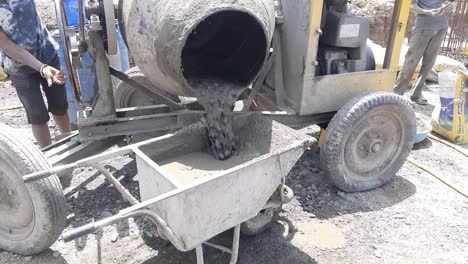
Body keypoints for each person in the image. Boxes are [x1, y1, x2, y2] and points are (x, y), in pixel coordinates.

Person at [0, 0, 71, 148]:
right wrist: (41, 67)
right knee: (37, 115)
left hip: (47, 52)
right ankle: (47, 156)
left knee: (59, 105)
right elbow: (6, 45)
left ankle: (70, 143)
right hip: (19, 68)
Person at [394, 0, 456, 105]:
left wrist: (450, 6)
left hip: (441, 27)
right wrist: (427, 12)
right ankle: (398, 93)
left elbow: (453, 3)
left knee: (429, 63)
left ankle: (416, 93)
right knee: (411, 60)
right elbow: (412, 6)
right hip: (423, 27)